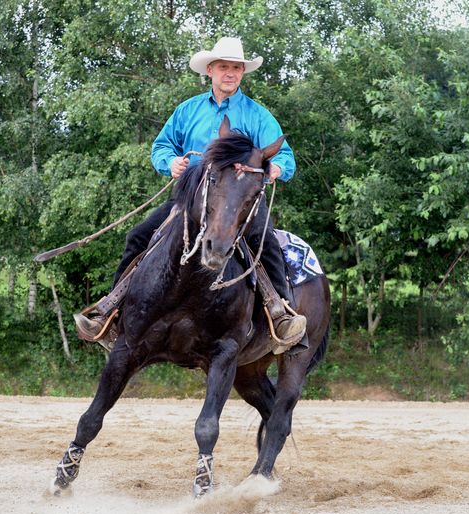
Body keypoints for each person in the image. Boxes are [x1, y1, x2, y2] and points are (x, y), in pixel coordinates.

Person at [75, 37, 306, 352]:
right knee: (139, 236)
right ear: (210, 70)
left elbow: (284, 156)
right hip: (191, 201)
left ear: (242, 73)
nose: (230, 73)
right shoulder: (187, 110)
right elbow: (162, 146)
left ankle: (282, 315)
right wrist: (170, 162)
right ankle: (111, 311)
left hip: (239, 204)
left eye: (236, 68)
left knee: (265, 245)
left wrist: (277, 167)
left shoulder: (257, 116)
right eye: (223, 67)